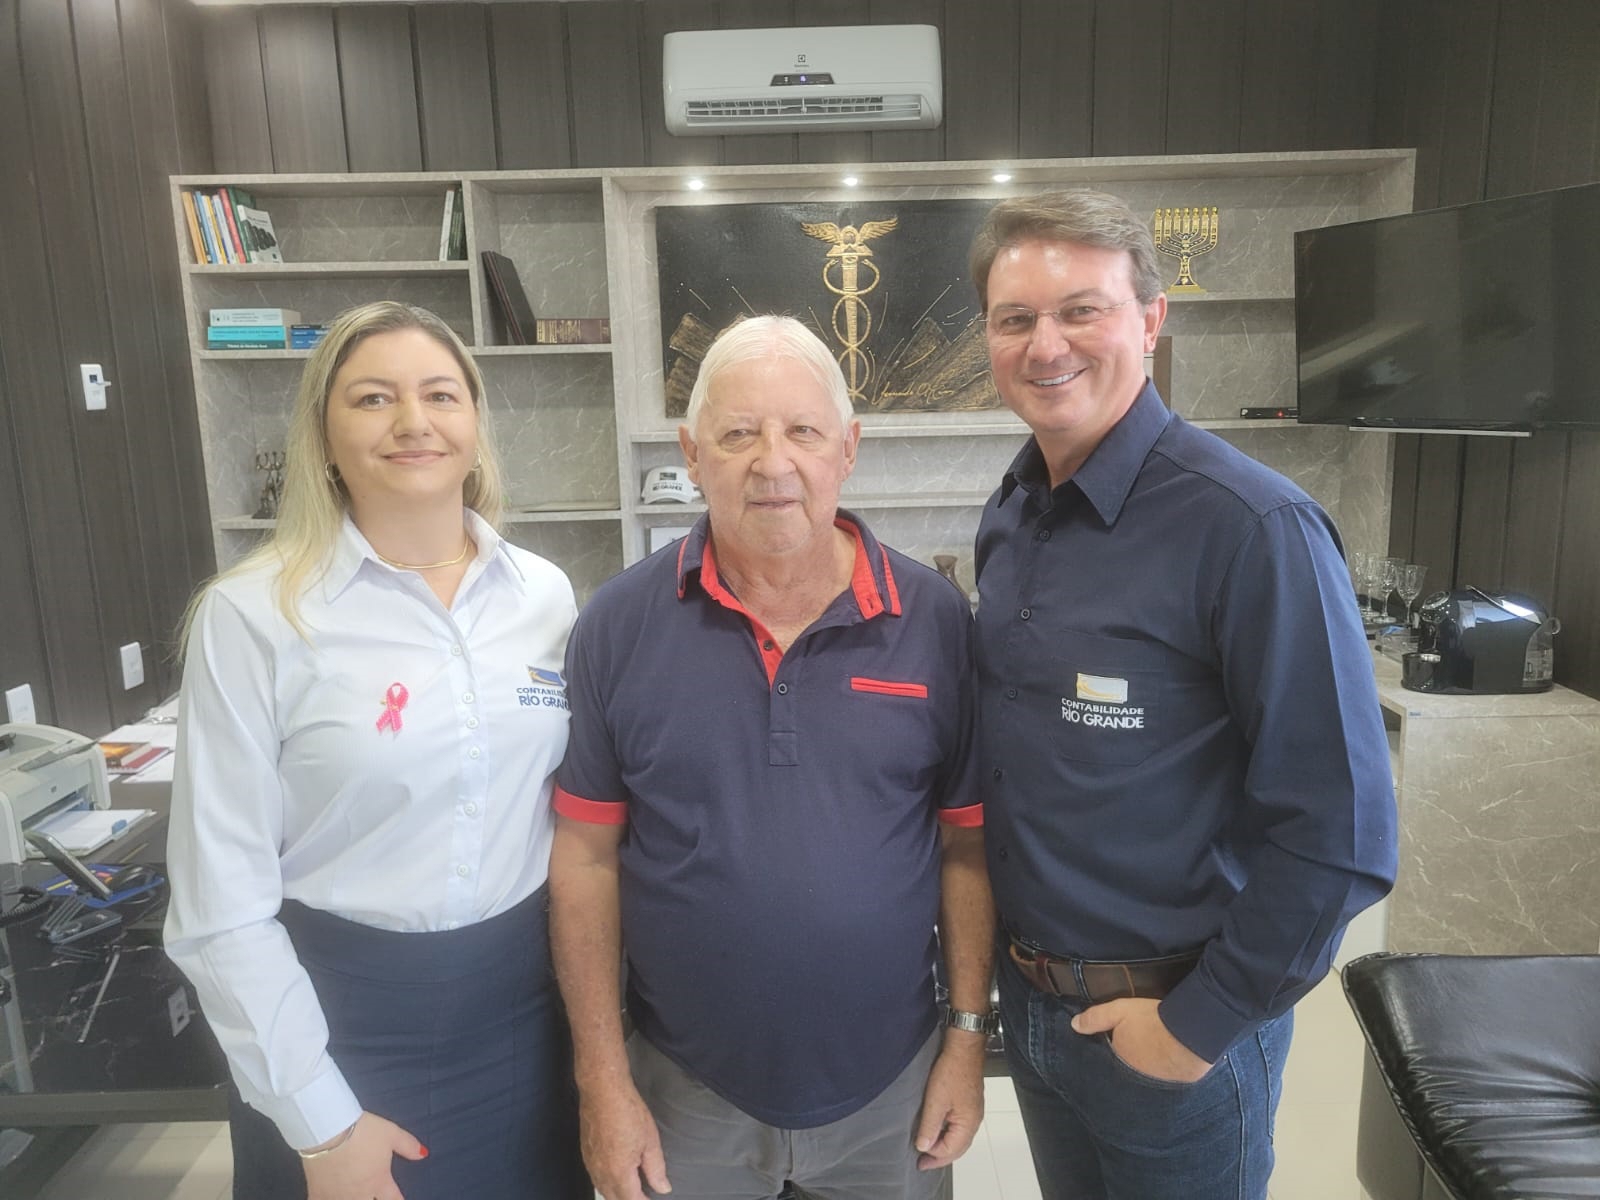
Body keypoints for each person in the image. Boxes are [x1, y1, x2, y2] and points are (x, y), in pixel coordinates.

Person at [967, 190, 1397, 1199]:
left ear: (1151, 320)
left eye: (1082, 310)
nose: (1045, 345)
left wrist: (1195, 1028)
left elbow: (1341, 831)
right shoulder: (1014, 511)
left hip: (1174, 1033)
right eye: (1015, 318)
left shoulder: (1252, 527)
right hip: (1036, 1013)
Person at [548, 315, 995, 1200]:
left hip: (892, 1091)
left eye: (802, 431)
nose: (773, 462)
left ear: (848, 449)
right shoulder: (617, 627)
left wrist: (968, 1038)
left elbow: (966, 847)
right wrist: (601, 1078)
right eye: (738, 434)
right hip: (682, 1093)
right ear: (692, 454)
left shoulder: (935, 621)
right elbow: (586, 859)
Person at [164, 301, 589, 1200]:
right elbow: (219, 907)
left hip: (522, 1023)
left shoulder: (545, 597)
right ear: (322, 437)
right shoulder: (253, 616)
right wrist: (322, 1126)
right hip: (334, 1030)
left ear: (475, 424)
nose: (412, 421)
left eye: (440, 394)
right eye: (371, 398)